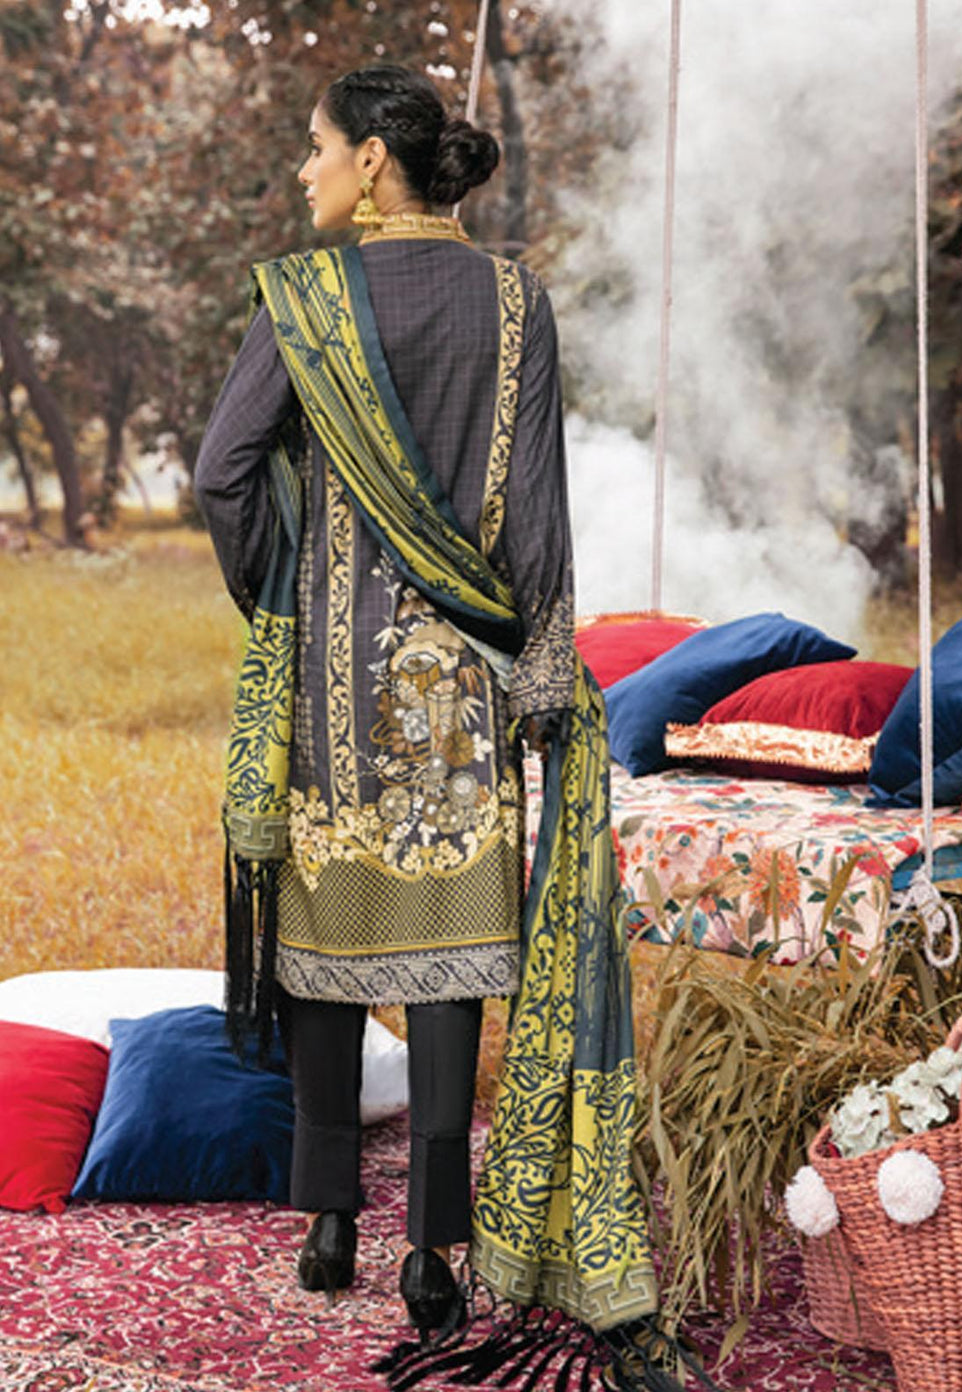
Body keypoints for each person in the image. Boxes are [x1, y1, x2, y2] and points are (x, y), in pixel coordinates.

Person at [194, 64, 577, 1338]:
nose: (302, 168)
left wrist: (282, 599)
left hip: (330, 692)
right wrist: (540, 674)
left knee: (326, 943)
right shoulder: (516, 303)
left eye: (313, 145)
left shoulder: (304, 301)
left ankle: (327, 1225)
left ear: (370, 159)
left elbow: (223, 472)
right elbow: (537, 518)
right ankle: (431, 1253)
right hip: (463, 696)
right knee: (449, 960)